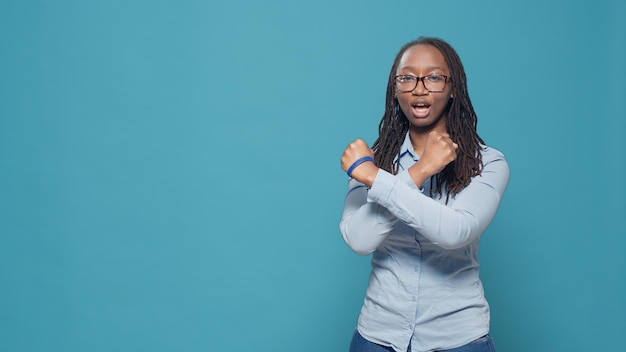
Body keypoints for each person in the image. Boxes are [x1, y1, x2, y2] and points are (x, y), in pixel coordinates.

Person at [339, 37, 509, 352]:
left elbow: (455, 232)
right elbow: (360, 240)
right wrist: (420, 171)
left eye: (433, 77)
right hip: (377, 337)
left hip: (457, 339)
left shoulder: (488, 162)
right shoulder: (373, 160)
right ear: (395, 88)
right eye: (407, 78)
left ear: (453, 86)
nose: (419, 88)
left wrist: (376, 179)